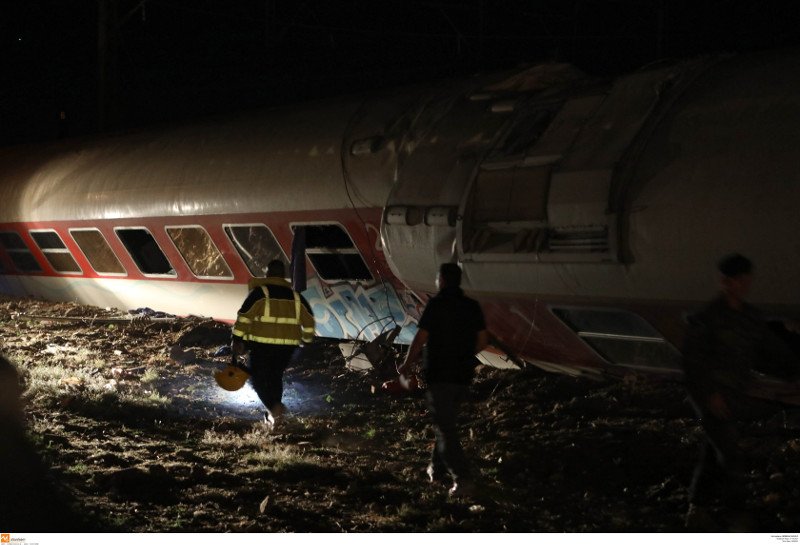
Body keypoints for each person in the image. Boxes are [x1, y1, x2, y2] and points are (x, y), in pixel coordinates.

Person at [682, 253, 798, 530]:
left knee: (713, 453)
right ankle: (736, 514)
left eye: (746, 279)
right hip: (709, 396)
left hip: (734, 393)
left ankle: (697, 508)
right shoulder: (707, 319)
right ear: (725, 282)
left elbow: (774, 350)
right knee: (731, 454)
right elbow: (692, 363)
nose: (743, 285)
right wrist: (710, 395)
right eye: (737, 280)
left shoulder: (750, 318)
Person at [398, 262, 489, 497]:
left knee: (446, 429)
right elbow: (482, 341)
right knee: (445, 424)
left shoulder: (436, 305)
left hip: (440, 376)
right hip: (462, 377)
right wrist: (464, 357)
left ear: (442, 281)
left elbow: (420, 338)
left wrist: (407, 365)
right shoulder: (472, 306)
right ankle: (436, 470)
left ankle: (463, 479)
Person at [231, 260, 315, 426]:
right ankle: (275, 417)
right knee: (275, 377)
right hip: (286, 348)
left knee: (258, 381)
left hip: (261, 346)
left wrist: (237, 340)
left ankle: (275, 410)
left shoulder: (260, 293)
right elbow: (309, 322)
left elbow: (244, 318)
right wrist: (305, 340)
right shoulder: (296, 297)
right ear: (283, 275)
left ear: (268, 274)